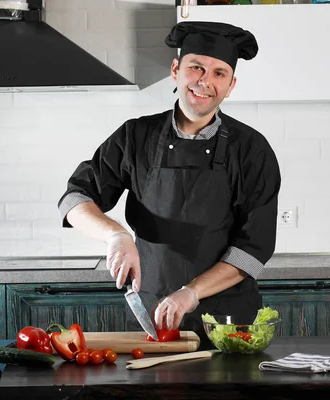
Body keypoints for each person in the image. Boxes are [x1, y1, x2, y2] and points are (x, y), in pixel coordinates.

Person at [58, 21, 281, 348]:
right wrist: (115, 236)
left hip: (228, 321)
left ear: (231, 85)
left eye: (219, 73)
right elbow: (75, 199)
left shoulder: (251, 150)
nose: (206, 81)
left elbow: (253, 249)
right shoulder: (135, 136)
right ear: (175, 69)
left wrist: (191, 292)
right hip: (154, 315)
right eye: (196, 67)